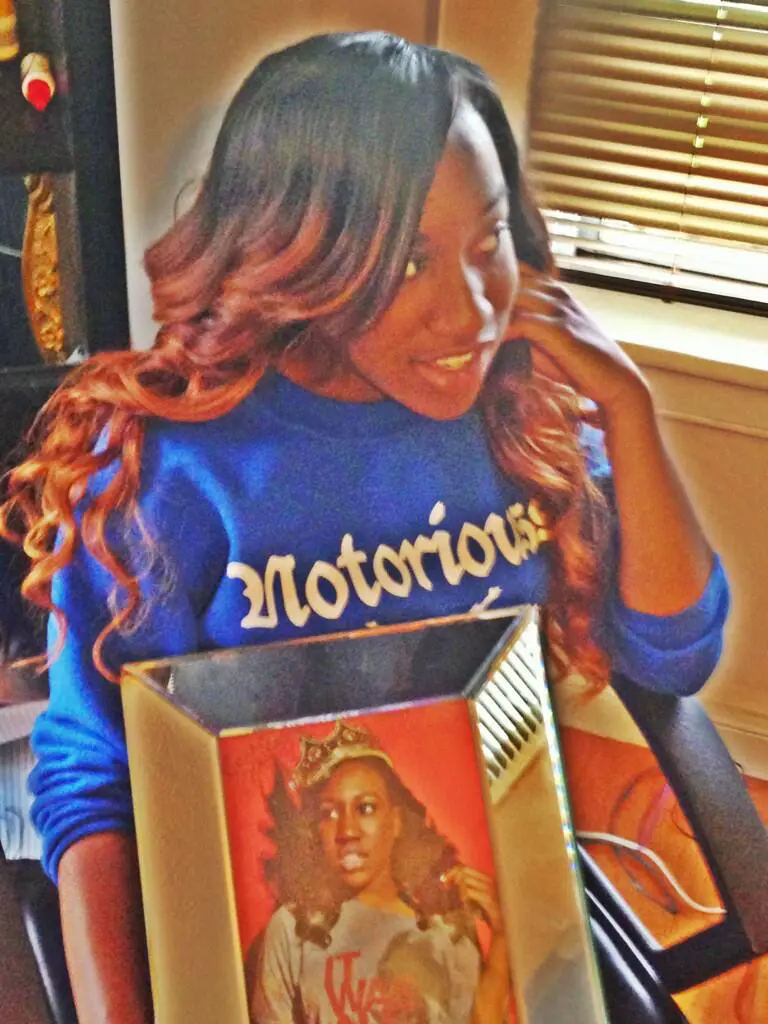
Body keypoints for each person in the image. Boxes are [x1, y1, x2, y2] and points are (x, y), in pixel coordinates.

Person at [0, 31, 728, 1023]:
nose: (469, 311)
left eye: (488, 243)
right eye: (408, 262)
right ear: (306, 262)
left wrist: (628, 412)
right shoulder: (177, 472)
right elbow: (94, 778)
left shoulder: (518, 416)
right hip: (266, 943)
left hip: (496, 921)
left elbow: (674, 655)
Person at [250, 720, 510, 1024]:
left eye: (366, 808)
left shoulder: (445, 931)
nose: (347, 831)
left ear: (396, 821)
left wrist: (503, 937)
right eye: (329, 813)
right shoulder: (294, 930)